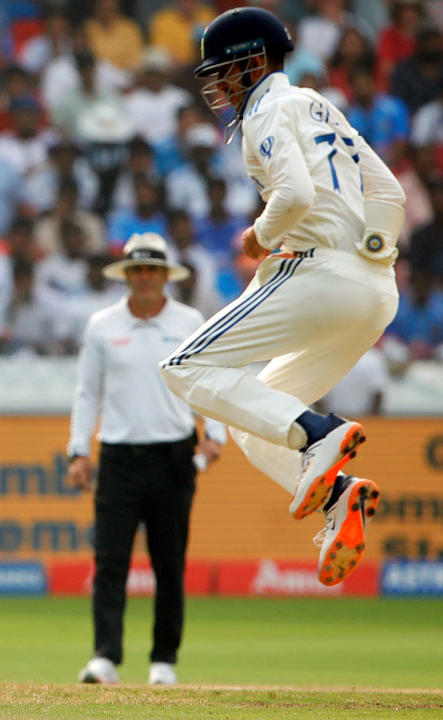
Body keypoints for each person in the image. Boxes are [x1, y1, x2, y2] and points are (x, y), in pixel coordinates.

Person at [158, 7, 404, 588]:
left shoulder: (267, 110)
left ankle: (320, 434)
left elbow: (291, 195)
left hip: (318, 276)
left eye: (222, 72)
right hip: (375, 290)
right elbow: (389, 191)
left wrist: (258, 236)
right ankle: (339, 497)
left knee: (183, 367)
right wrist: (370, 252)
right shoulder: (319, 105)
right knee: (254, 421)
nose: (216, 86)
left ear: (250, 62)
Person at [66, 233, 225, 687]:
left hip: (173, 454)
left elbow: (209, 381)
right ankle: (105, 657)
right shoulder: (103, 326)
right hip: (118, 455)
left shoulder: (189, 320)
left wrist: (215, 434)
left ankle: (163, 661)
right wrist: (79, 449)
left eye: (153, 269)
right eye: (137, 270)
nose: (145, 277)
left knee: (168, 563)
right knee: (109, 560)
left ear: (165, 275)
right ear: (127, 276)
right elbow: (87, 392)